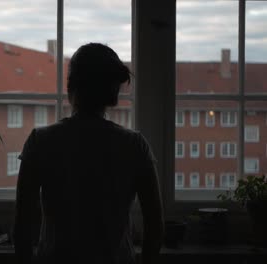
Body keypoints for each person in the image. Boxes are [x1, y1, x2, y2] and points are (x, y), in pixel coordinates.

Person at [13, 43, 164, 264]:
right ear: (112, 91)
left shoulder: (41, 141)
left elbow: (23, 223)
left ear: (71, 87)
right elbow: (155, 224)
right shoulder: (134, 145)